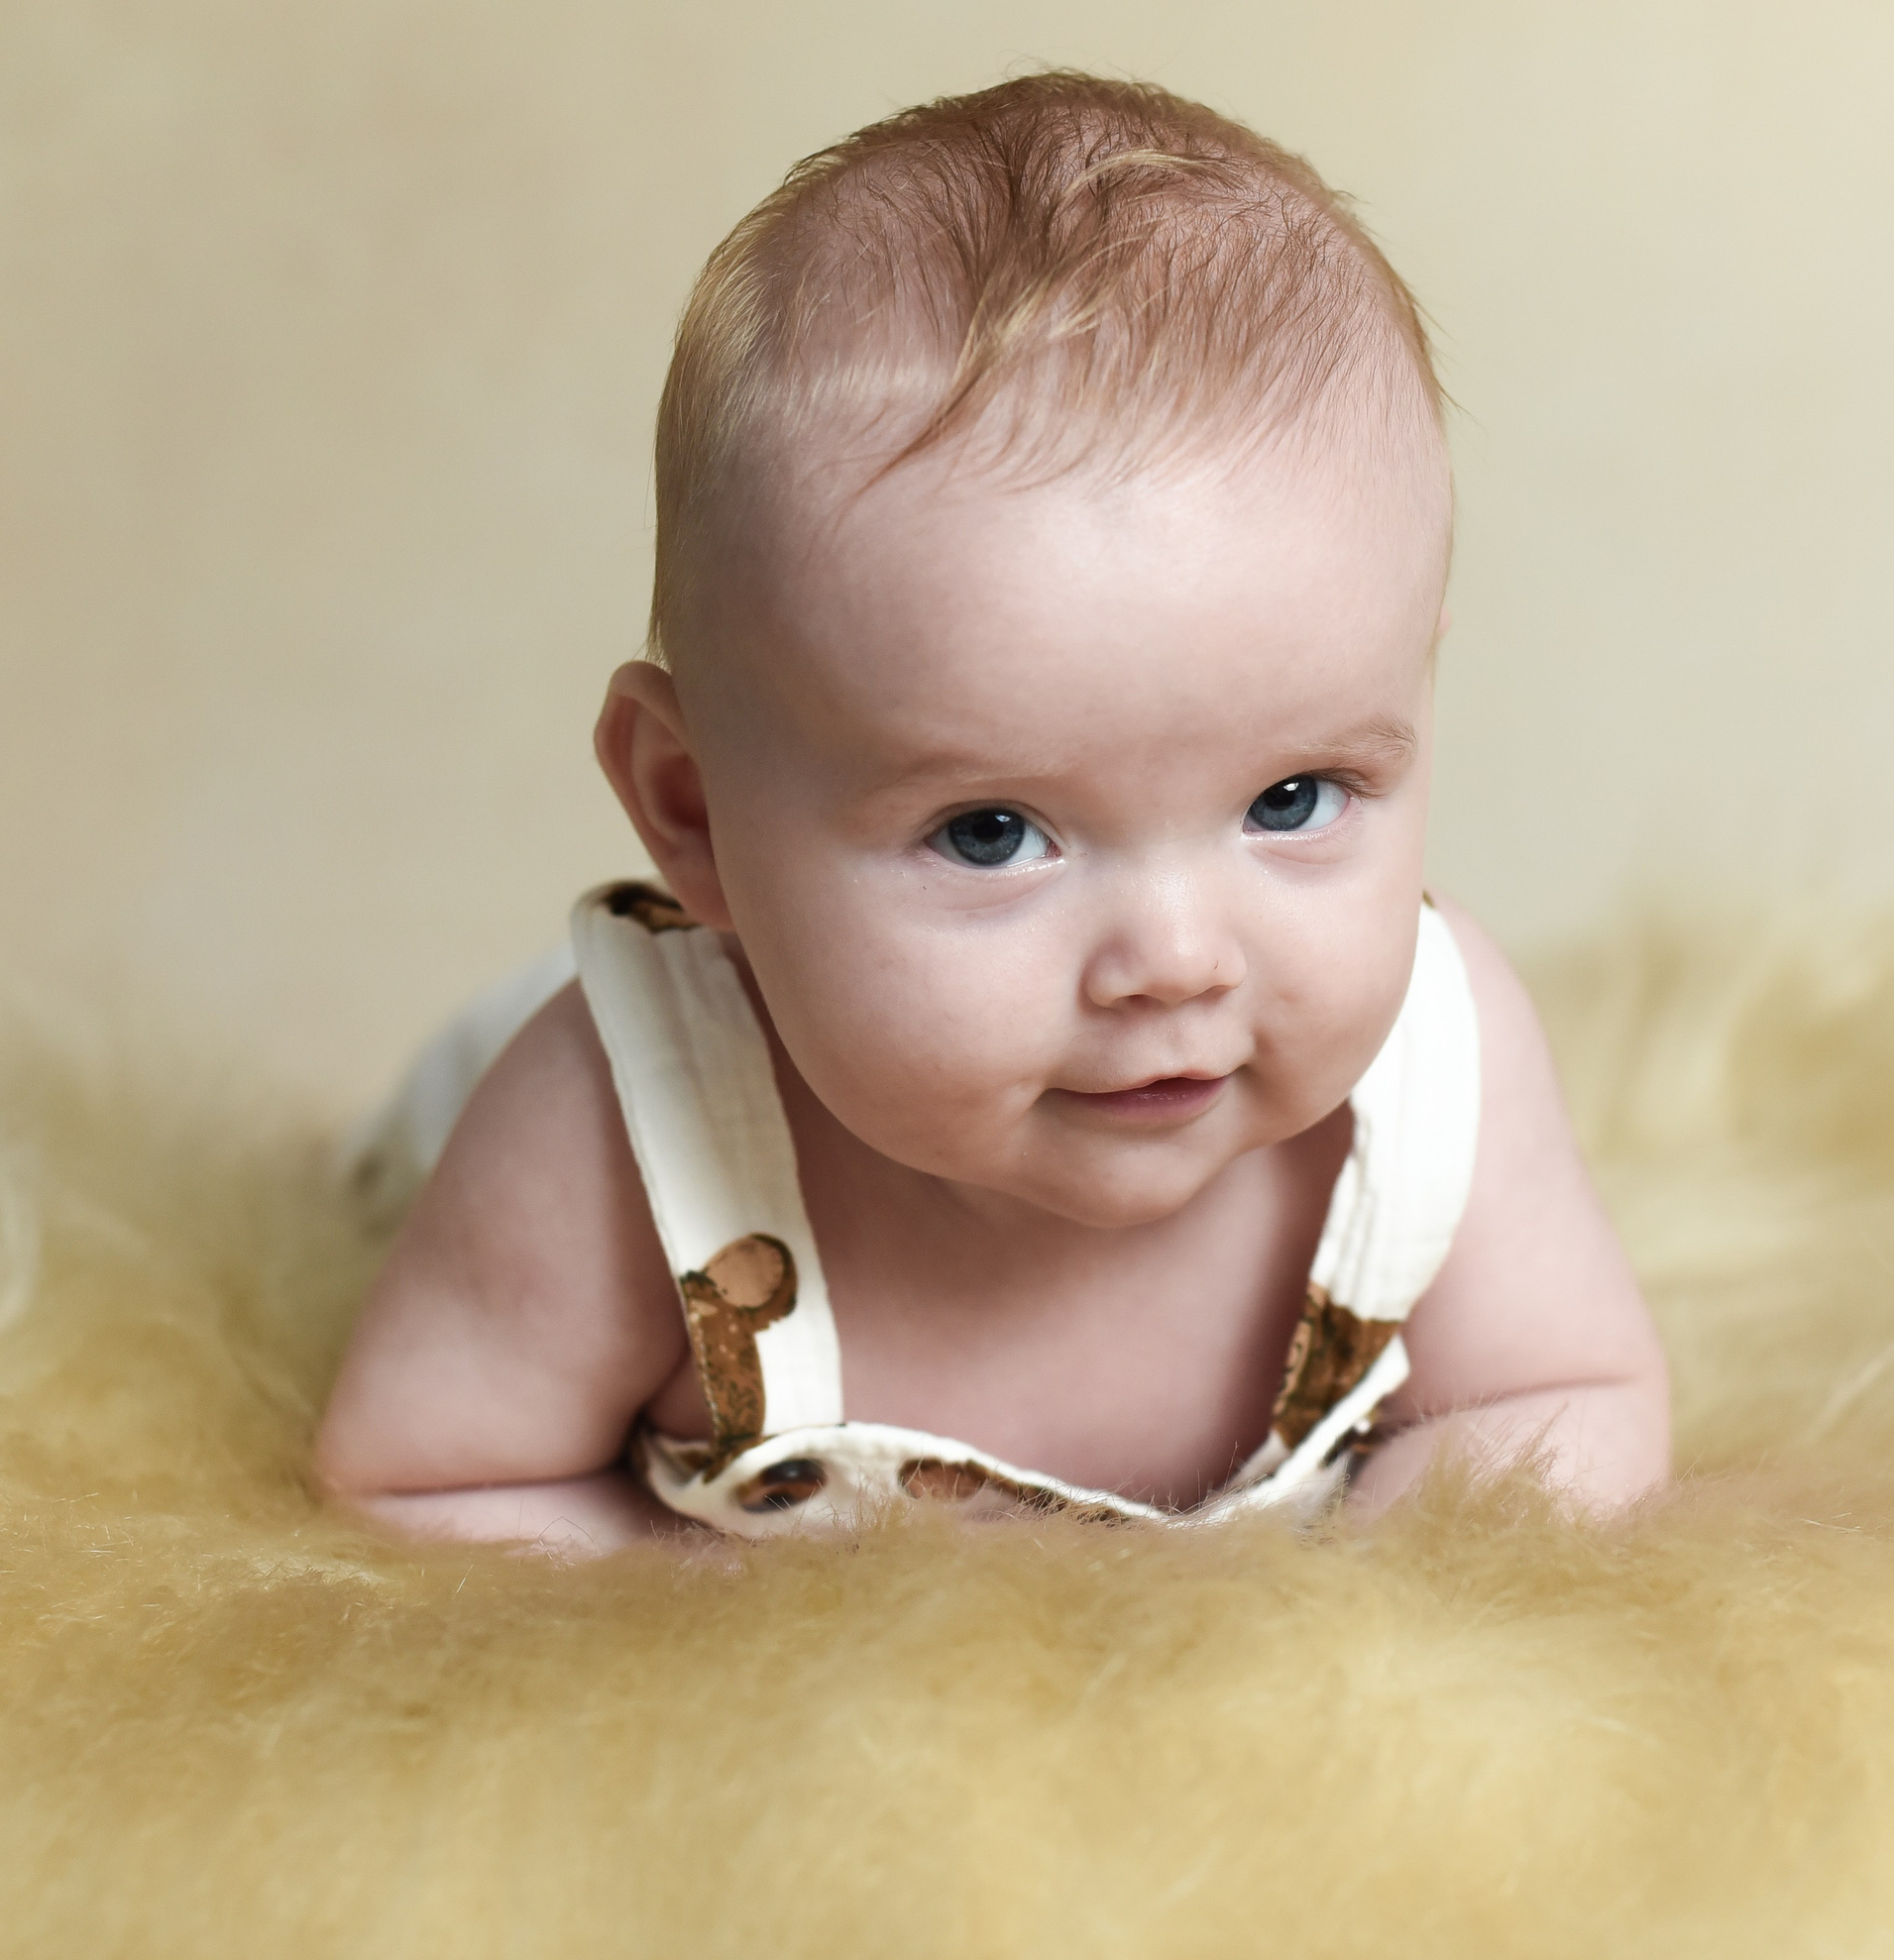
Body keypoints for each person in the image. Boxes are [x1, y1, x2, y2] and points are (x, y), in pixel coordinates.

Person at [314, 73, 1671, 1553]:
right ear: (692, 812)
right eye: (992, 833)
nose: (1176, 960)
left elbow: (1562, 1391)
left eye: (1291, 800)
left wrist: (1351, 1619)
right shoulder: (607, 1139)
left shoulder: (1435, 1075)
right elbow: (425, 1480)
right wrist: (749, 1627)